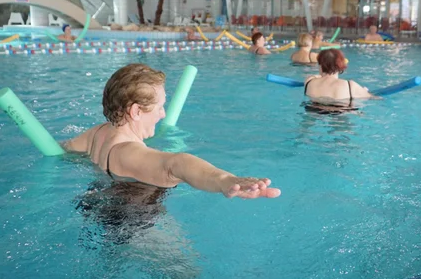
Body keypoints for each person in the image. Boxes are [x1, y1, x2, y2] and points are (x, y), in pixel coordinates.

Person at [63, 63, 280, 198]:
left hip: (99, 203)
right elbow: (176, 164)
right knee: (185, 272)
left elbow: (65, 150)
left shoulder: (98, 133)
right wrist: (225, 180)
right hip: (132, 220)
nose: (163, 114)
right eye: (159, 107)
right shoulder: (127, 151)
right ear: (137, 111)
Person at [303, 49, 373, 113]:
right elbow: (372, 97)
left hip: (312, 109)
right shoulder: (350, 86)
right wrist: (363, 91)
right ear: (340, 65)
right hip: (339, 111)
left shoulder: (309, 82)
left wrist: (322, 75)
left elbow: (316, 76)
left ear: (320, 65)